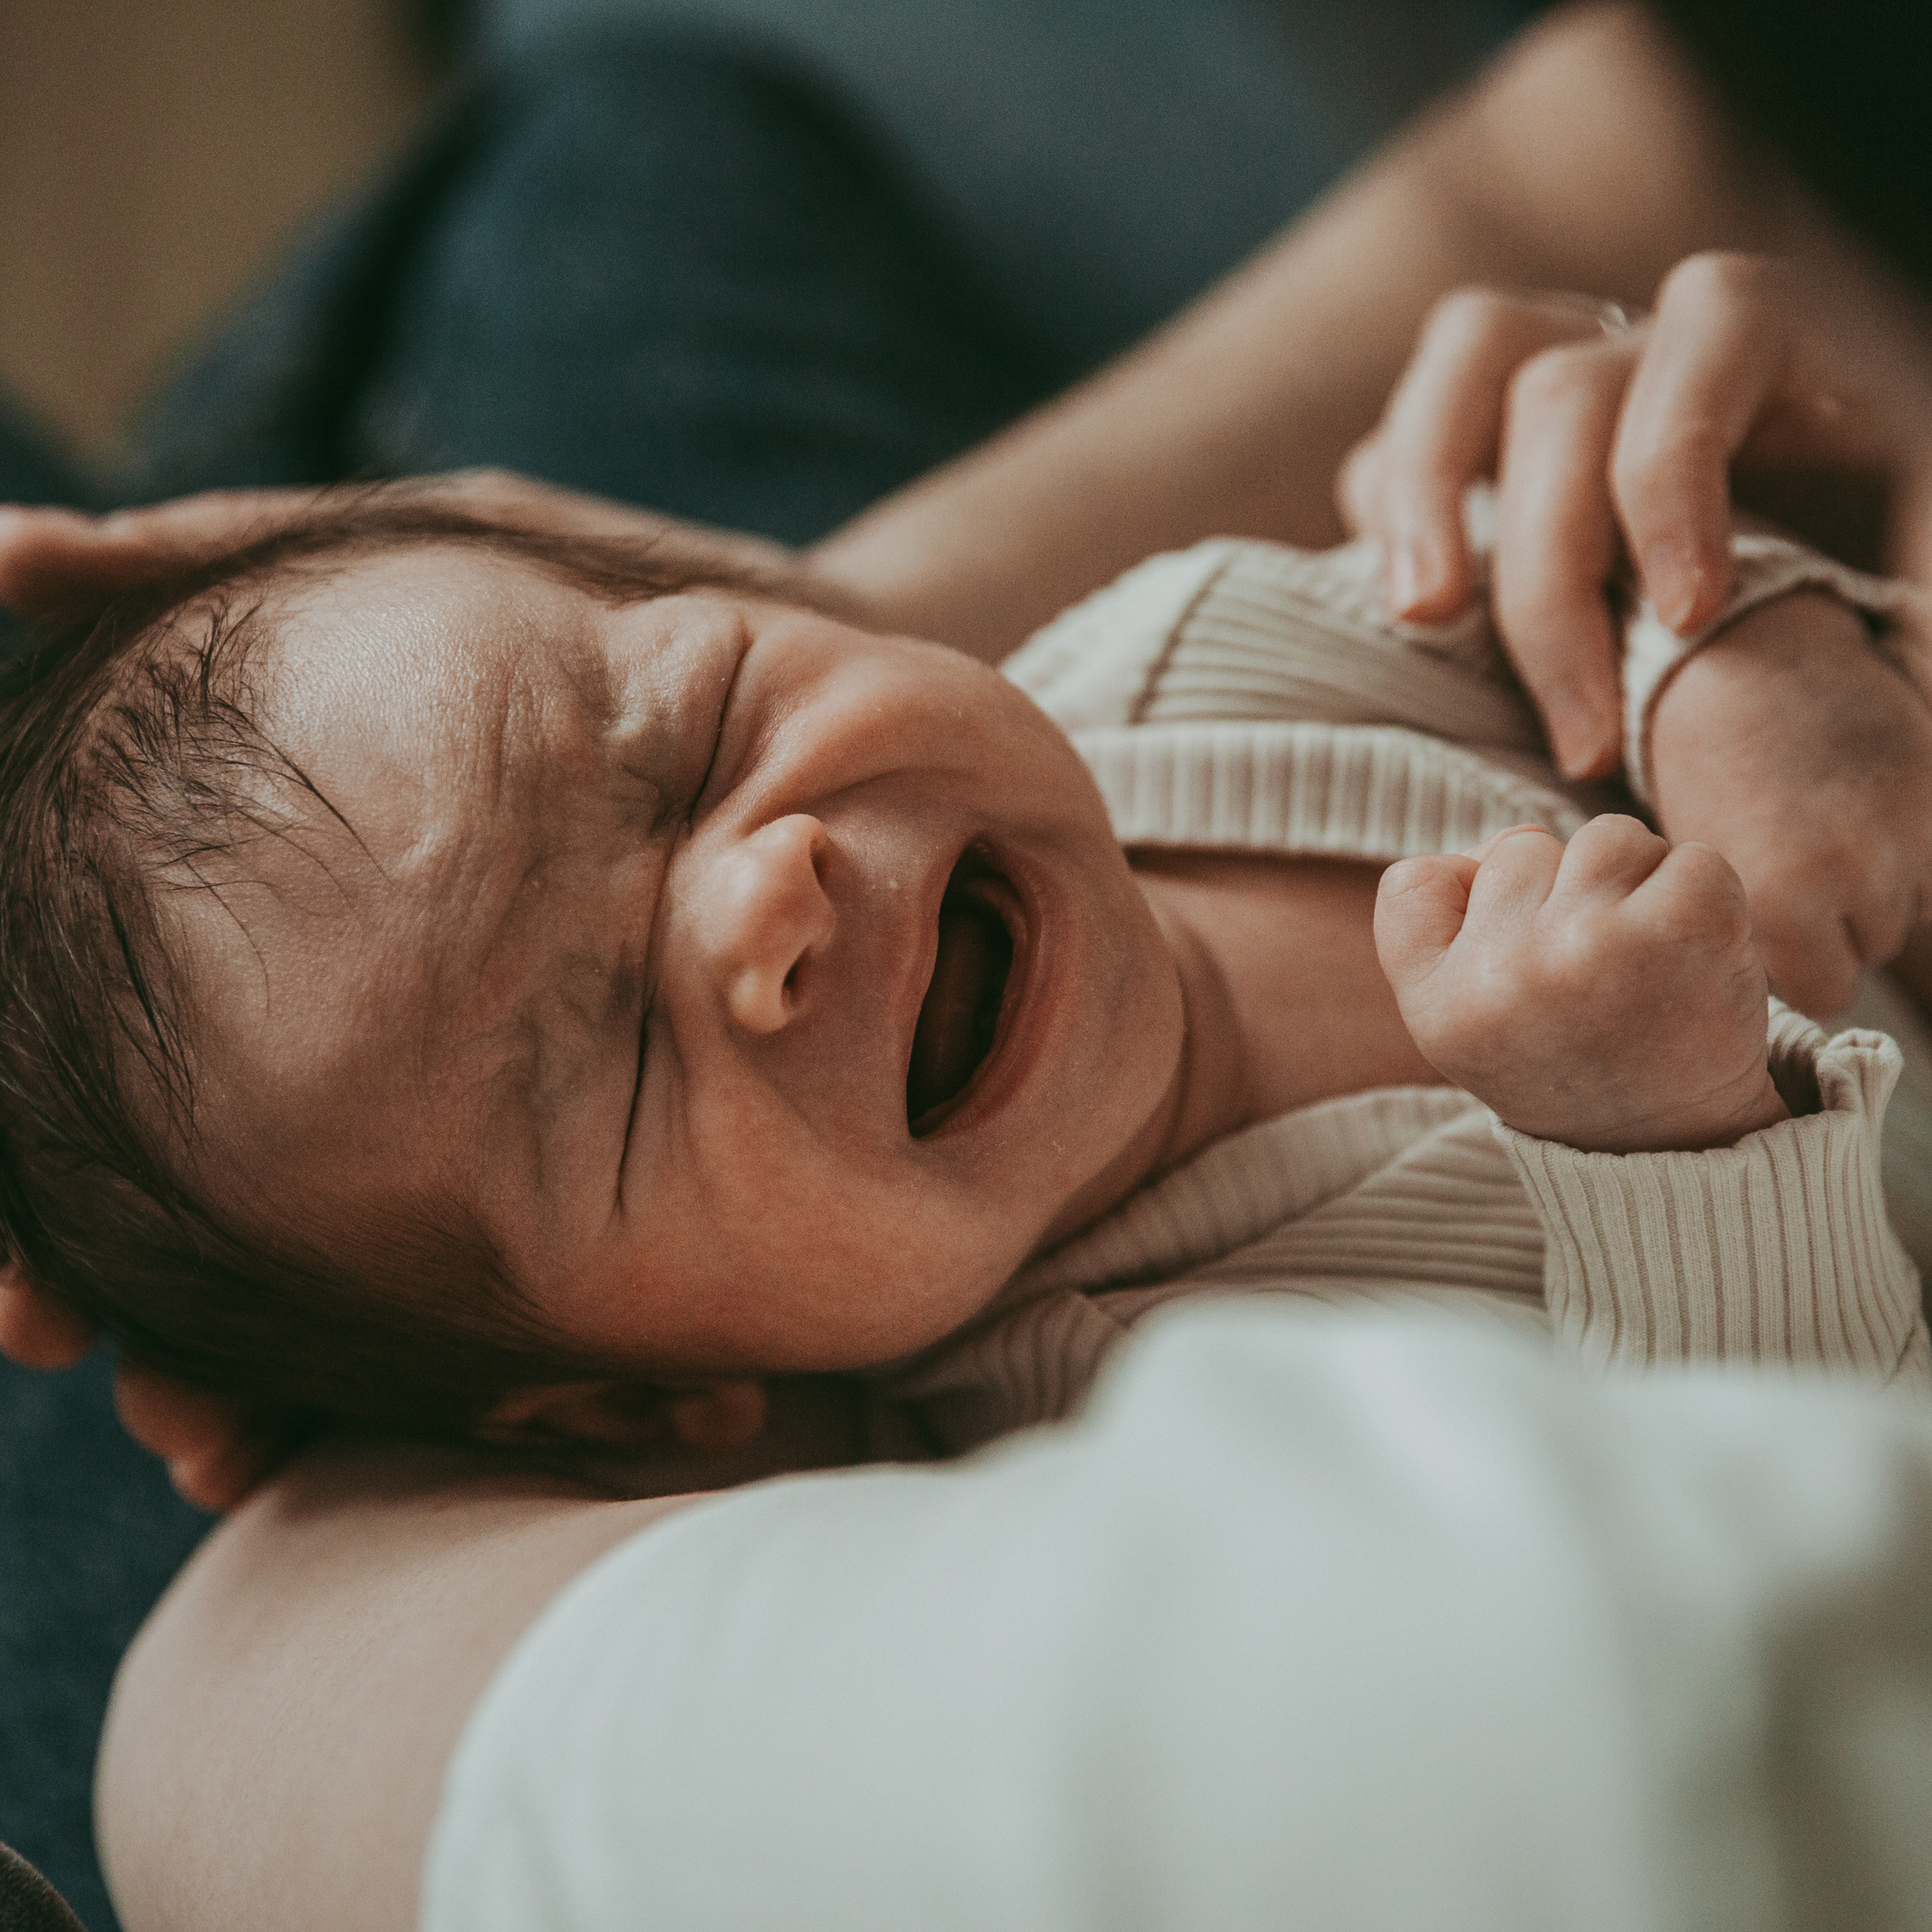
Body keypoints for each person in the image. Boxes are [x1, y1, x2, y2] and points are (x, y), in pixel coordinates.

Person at [5, 2, 1932, 1924]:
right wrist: (1667, 1141)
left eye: (689, 734)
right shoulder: (1113, 1438)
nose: (761, 902)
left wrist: (1729, 640)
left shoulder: (1179, 652)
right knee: (606, 144)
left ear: (753, 592)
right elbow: (1768, 1522)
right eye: (598, 1061)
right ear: (643, 1407)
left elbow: (1593, 525)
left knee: (635, 114)